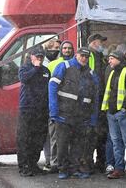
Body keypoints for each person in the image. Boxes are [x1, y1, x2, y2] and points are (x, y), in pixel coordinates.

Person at [49, 47, 99, 179]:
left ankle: (74, 168)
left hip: (82, 116)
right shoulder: (64, 66)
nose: (84, 59)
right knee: (63, 144)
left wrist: (93, 118)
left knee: (78, 145)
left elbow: (95, 98)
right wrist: (53, 111)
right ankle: (63, 169)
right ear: (76, 55)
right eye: (82, 56)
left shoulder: (91, 74)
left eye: (86, 57)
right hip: (63, 114)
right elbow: (52, 87)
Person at [101, 51, 126, 179]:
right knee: (116, 142)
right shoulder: (112, 73)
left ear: (119, 59)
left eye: (111, 59)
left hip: (124, 113)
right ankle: (119, 168)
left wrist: (124, 109)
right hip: (112, 113)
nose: (109, 61)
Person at [17, 46, 50, 177]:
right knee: (25, 139)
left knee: (38, 139)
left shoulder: (46, 71)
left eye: (41, 57)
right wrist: (35, 68)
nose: (39, 59)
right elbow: (24, 79)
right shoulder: (25, 68)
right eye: (37, 56)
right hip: (27, 109)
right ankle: (24, 166)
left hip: (41, 110)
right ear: (31, 56)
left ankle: (33, 164)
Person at [43, 40, 75, 173]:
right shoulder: (53, 64)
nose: (67, 50)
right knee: (54, 137)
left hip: (71, 108)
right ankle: (53, 162)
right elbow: (49, 87)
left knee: (69, 138)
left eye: (69, 48)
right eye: (65, 48)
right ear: (61, 50)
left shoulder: (76, 64)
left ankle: (65, 163)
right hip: (56, 106)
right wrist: (52, 106)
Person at [87, 33, 108, 172]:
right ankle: (90, 163)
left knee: (101, 133)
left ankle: (100, 162)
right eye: (101, 42)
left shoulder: (100, 57)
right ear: (94, 43)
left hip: (100, 101)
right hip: (93, 101)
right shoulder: (89, 55)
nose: (103, 45)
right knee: (91, 134)